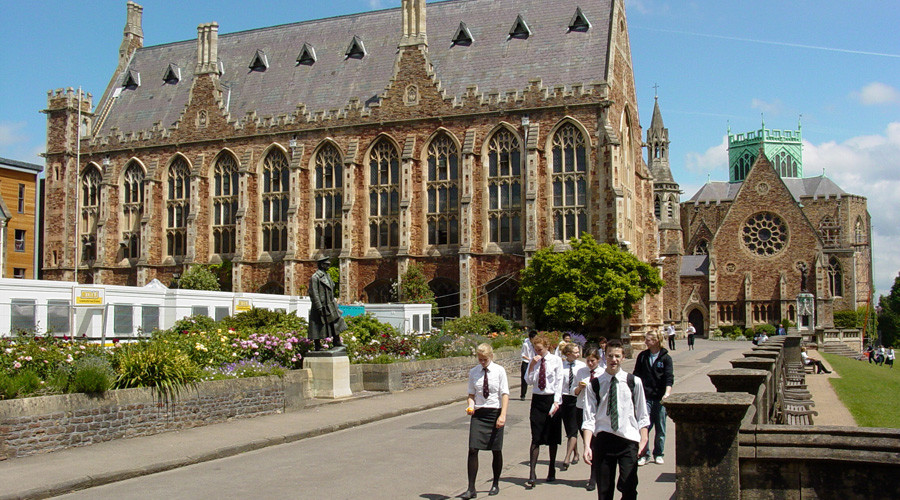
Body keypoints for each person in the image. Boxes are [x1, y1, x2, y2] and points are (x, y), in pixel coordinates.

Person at [582, 339, 650, 500]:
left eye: (617, 356)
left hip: (628, 440)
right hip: (604, 440)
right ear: (604, 357)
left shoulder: (634, 382)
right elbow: (589, 418)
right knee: (605, 491)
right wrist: (586, 445)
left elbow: (642, 414)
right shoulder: (595, 385)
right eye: (610, 356)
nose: (614, 359)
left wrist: (644, 440)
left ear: (623, 357)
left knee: (629, 487)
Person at [462, 344, 510, 499]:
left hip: (494, 412)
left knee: (496, 450)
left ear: (491, 356)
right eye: (480, 359)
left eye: (485, 359)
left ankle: (495, 483)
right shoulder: (474, 372)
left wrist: (502, 415)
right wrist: (470, 405)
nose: (482, 362)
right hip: (479, 413)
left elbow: (504, 394)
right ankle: (471, 488)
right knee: (473, 449)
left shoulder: (499, 371)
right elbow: (471, 394)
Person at [524, 334, 563, 488]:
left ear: (547, 347)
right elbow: (529, 381)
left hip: (551, 399)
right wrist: (532, 366)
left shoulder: (556, 360)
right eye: (535, 349)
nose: (537, 352)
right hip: (538, 399)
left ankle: (551, 467)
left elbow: (559, 381)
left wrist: (557, 401)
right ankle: (532, 473)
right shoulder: (534, 360)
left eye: (540, 349)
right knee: (536, 437)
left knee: (552, 437)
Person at [632, 331, 673, 466]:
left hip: (660, 397)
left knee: (660, 427)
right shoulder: (643, 356)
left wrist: (667, 393)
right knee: (645, 426)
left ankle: (659, 453)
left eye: (648, 340)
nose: (646, 342)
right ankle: (644, 454)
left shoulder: (665, 358)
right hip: (645, 397)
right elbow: (636, 375)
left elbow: (669, 377)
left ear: (656, 341)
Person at [574, 347, 604, 491]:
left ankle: (594, 476)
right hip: (581, 409)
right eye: (588, 361)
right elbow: (573, 392)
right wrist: (579, 388)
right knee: (588, 443)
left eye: (593, 361)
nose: (590, 363)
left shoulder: (603, 373)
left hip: (596, 411)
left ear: (598, 360)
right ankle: (596, 472)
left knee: (594, 444)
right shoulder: (581, 372)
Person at [307, 255, 347, 351]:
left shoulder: (327, 276)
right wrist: (319, 306)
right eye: (326, 264)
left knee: (335, 322)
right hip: (321, 305)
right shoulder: (315, 277)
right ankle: (317, 345)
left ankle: (336, 341)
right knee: (318, 325)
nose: (328, 266)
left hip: (330, 304)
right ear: (321, 265)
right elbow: (314, 293)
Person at [559, 343, 586, 472]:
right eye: (575, 352)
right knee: (569, 429)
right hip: (565, 399)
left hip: (577, 398)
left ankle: (567, 457)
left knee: (574, 429)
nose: (578, 354)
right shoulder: (561, 366)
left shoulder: (581, 366)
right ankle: (576, 453)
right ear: (568, 354)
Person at [520, 330, 537, 400]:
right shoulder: (525, 344)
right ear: (530, 338)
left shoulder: (536, 344)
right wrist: (530, 359)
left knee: (535, 378)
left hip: (534, 362)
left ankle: (536, 394)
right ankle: (523, 395)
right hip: (526, 362)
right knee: (524, 379)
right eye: (534, 338)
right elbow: (523, 355)